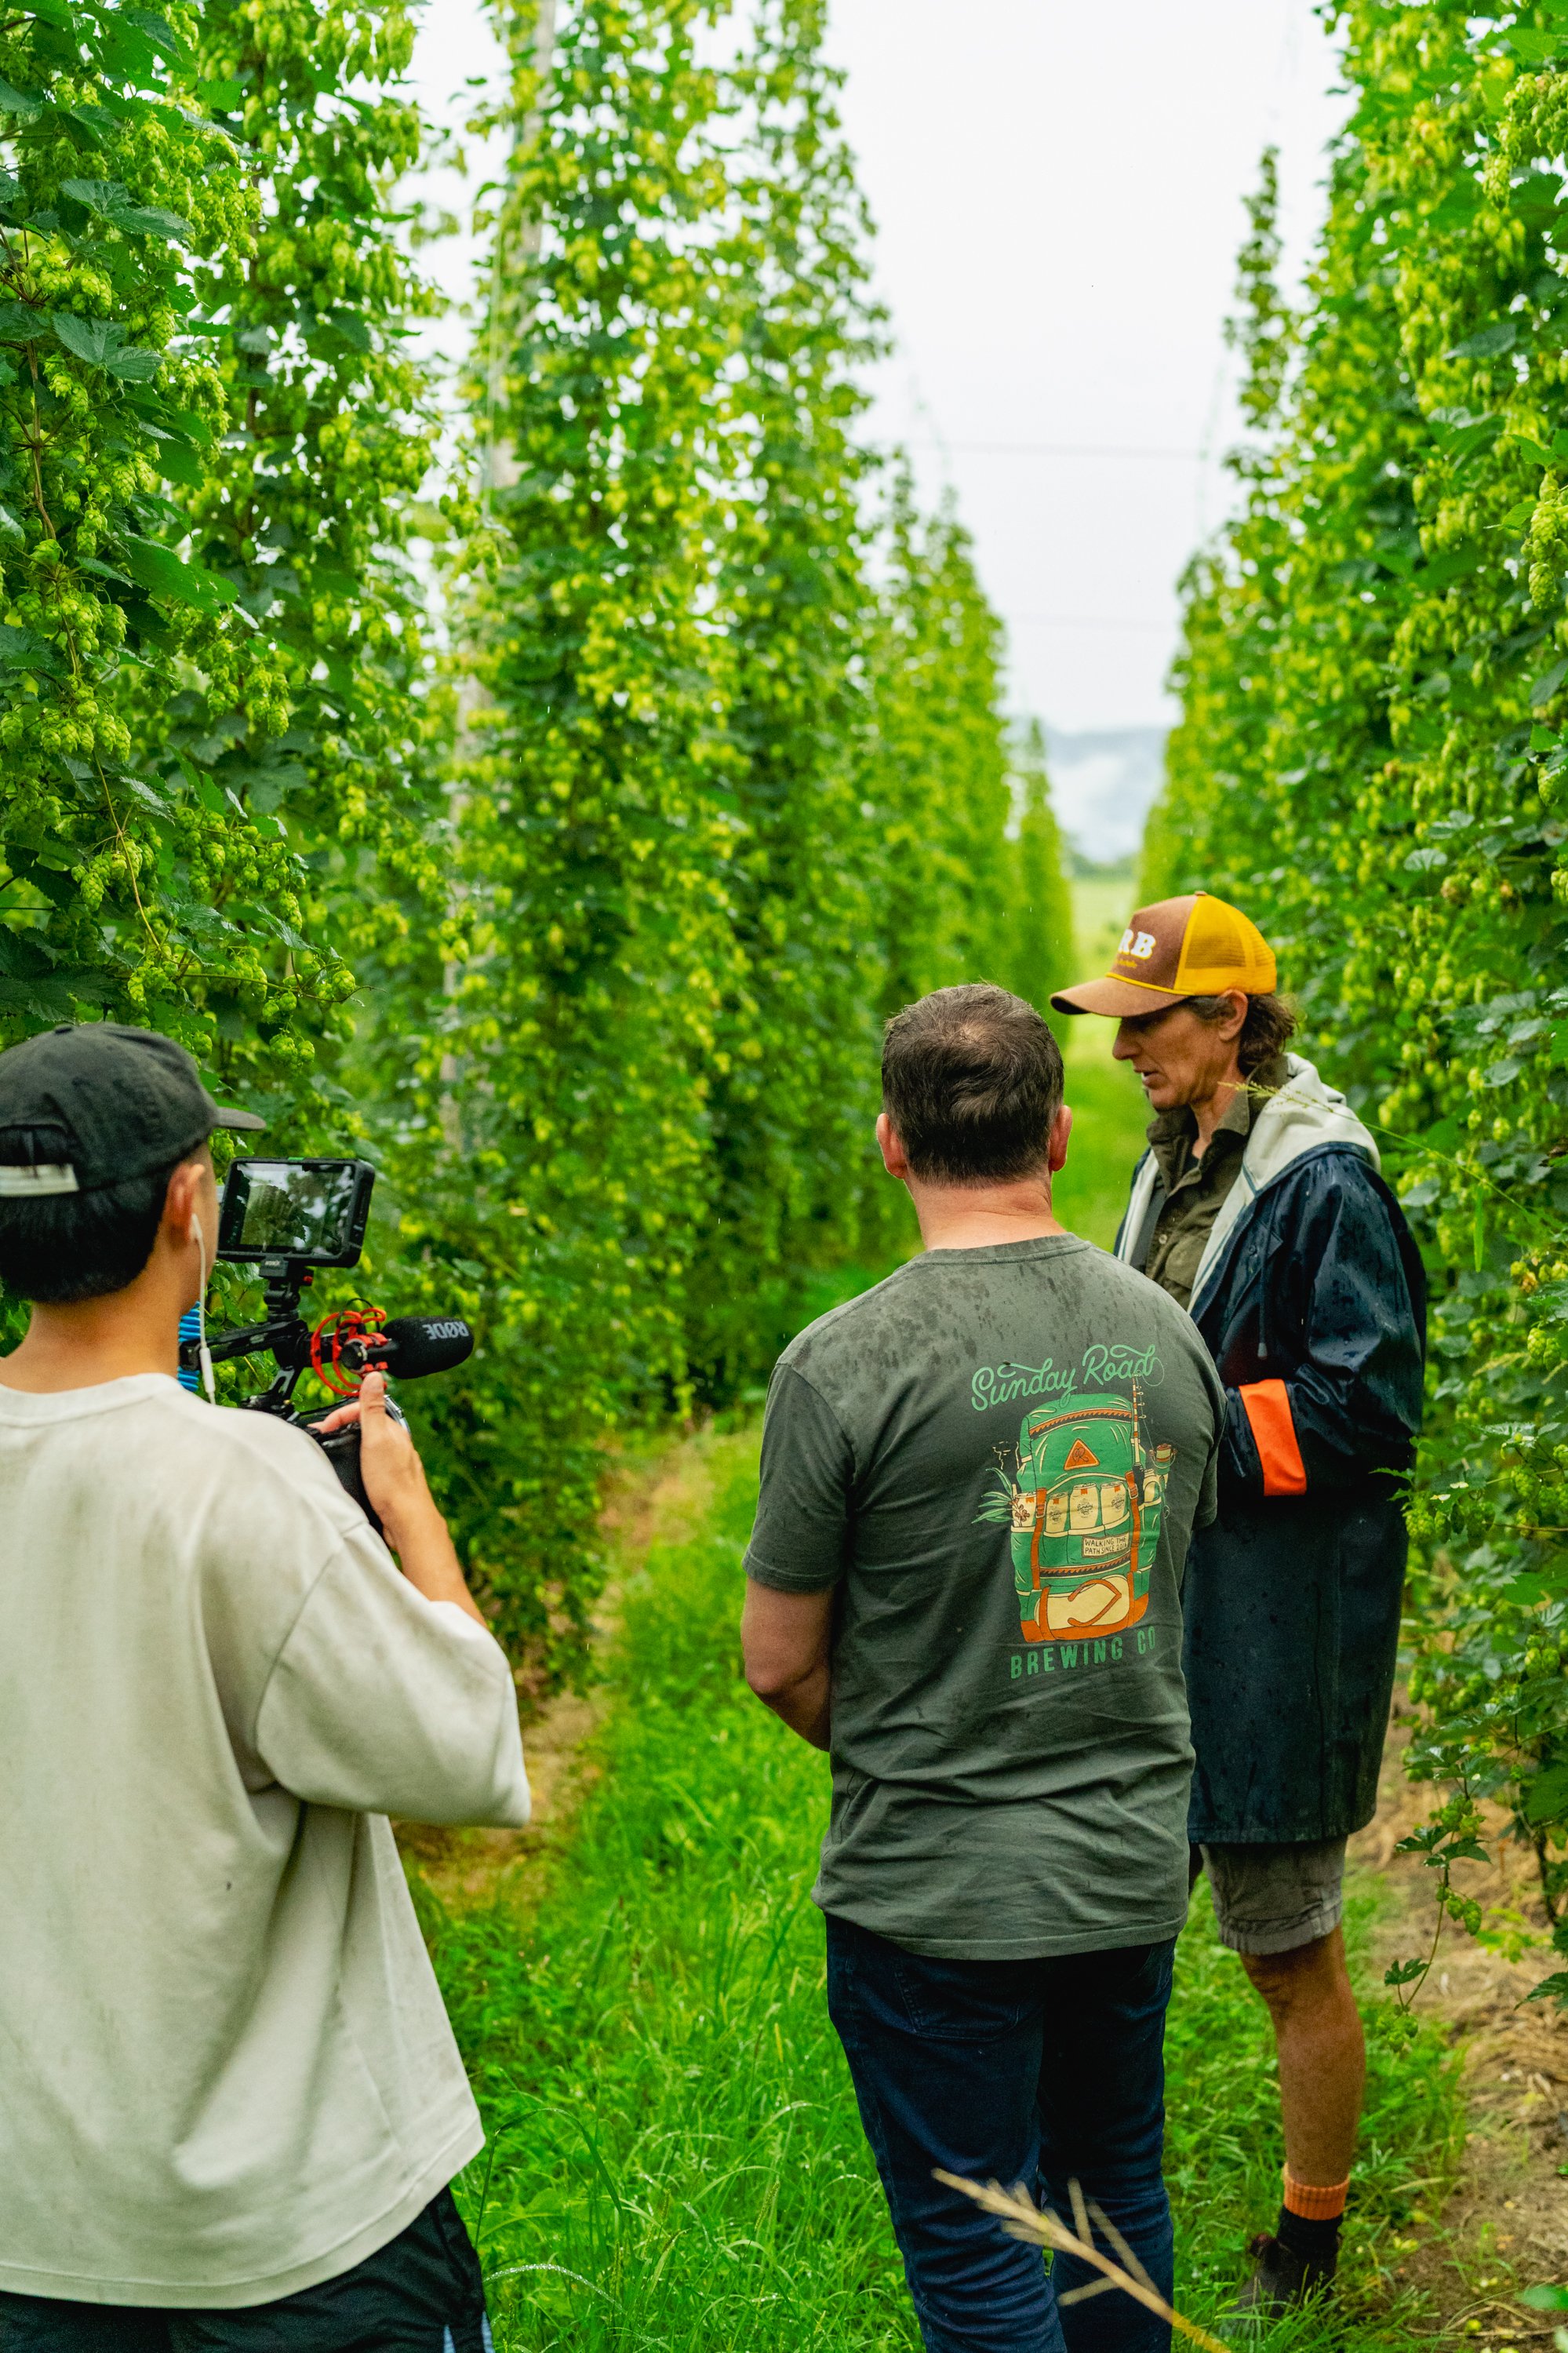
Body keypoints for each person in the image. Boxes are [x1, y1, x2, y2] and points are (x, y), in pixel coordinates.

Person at [0, 1022, 529, 2349]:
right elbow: (463, 1752)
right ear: (190, 1204)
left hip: (34, 2221)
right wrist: (407, 1520)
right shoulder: (246, 1481)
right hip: (290, 2233)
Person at [740, 983, 1225, 2353]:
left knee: (980, 2237)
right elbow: (1179, 1578)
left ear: (891, 1143)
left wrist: (919, 1735)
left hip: (935, 1893)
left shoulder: (844, 1367)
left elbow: (777, 1661)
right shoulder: (1163, 1334)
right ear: (1059, 1133)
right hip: (1128, 1866)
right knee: (1113, 2192)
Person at [1052, 891, 1426, 2313]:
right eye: (1119, 1022)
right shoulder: (1179, 1157)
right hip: (1170, 1601)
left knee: (1288, 1948)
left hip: (1277, 1624)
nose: (1126, 1045)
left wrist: (1178, 1433)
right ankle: (1096, 2209)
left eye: (1149, 1021)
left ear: (1229, 1020)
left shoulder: (1323, 1183)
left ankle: (1310, 2244)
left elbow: (1366, 1410)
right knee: (1113, 1926)